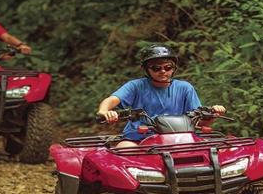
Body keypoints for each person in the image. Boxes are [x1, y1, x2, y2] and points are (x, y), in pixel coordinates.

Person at [96, 45, 224, 148]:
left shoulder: (185, 88)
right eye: (156, 68)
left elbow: (198, 120)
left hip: (178, 139)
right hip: (139, 137)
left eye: (167, 67)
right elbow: (112, 99)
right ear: (147, 70)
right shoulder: (135, 86)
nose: (163, 71)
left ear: (174, 69)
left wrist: (212, 114)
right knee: (124, 149)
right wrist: (104, 111)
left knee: (209, 152)